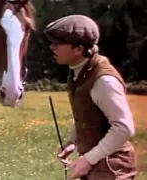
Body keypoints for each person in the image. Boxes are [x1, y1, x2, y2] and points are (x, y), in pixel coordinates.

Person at [43, 15, 137, 180]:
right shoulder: (78, 72)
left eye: (58, 43)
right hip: (97, 168)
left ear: (78, 49)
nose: (52, 47)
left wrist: (88, 159)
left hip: (113, 170)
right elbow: (86, 114)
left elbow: (124, 128)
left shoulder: (103, 81)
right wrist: (73, 141)